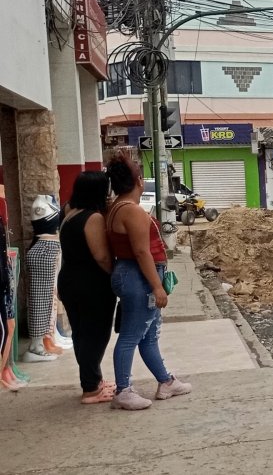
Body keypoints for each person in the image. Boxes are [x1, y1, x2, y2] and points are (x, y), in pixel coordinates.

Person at [105, 152, 191, 410]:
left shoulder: (115, 208)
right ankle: (123, 390)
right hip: (139, 277)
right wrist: (156, 286)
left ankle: (166, 381)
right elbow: (142, 252)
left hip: (129, 274)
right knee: (132, 336)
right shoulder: (132, 212)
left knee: (149, 335)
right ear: (139, 182)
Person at [58, 171, 117, 404]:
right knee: (96, 334)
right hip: (91, 284)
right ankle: (91, 389)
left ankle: (93, 380)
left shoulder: (69, 211)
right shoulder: (93, 218)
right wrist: (117, 275)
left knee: (81, 334)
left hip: (70, 280)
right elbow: (102, 257)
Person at [24, 195, 63, 362]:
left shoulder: (44, 204)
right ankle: (36, 346)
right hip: (45, 249)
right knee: (41, 300)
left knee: (45, 299)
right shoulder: (41, 205)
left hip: (47, 248)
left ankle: (39, 343)